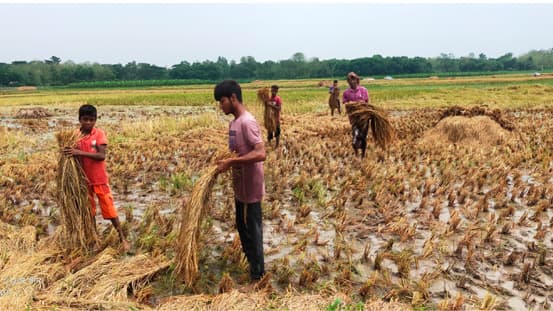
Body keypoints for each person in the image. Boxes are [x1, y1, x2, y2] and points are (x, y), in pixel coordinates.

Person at [214, 80, 267, 281]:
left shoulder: (247, 121)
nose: (221, 105)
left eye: (223, 101)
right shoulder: (234, 123)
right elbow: (235, 152)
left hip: (251, 188)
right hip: (240, 187)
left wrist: (231, 161)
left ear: (233, 98)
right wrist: (226, 160)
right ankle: (250, 263)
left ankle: (258, 275)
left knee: (253, 231)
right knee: (242, 227)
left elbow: (261, 153)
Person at [64, 104, 130, 252]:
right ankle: (94, 239)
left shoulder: (98, 134)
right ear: (79, 119)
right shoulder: (74, 136)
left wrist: (78, 153)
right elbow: (69, 154)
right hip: (83, 181)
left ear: (95, 120)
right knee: (90, 211)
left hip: (99, 179)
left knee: (109, 208)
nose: (88, 123)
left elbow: (101, 156)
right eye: (85, 119)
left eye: (91, 120)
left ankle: (122, 238)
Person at [343, 72, 371, 158]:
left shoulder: (363, 90)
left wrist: (361, 104)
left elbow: (367, 102)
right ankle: (356, 153)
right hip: (354, 117)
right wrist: (351, 104)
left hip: (363, 117)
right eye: (349, 80)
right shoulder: (346, 93)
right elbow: (345, 102)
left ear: (357, 80)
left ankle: (363, 154)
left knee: (363, 136)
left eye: (353, 79)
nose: (351, 82)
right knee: (355, 135)